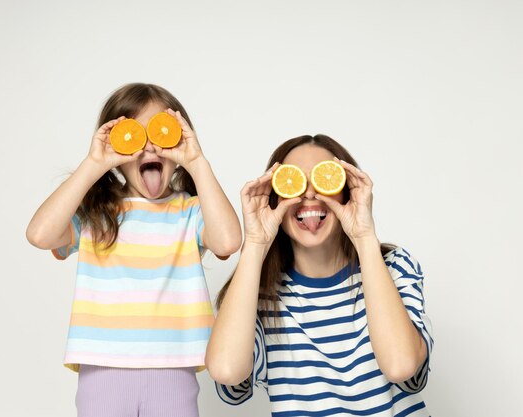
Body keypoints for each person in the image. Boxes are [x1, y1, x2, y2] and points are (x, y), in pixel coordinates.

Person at [26, 83, 242, 417]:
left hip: (174, 366)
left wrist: (197, 162)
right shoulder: (97, 213)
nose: (150, 148)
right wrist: (93, 164)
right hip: (102, 368)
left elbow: (228, 241)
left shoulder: (190, 211)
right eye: (135, 136)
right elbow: (40, 235)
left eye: (162, 134)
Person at [205, 134, 433, 416]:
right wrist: (255, 242)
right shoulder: (258, 297)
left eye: (324, 180)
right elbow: (227, 372)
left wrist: (363, 236)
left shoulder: (395, 267)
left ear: (348, 192)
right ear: (274, 200)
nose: (309, 194)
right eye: (294, 183)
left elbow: (402, 367)